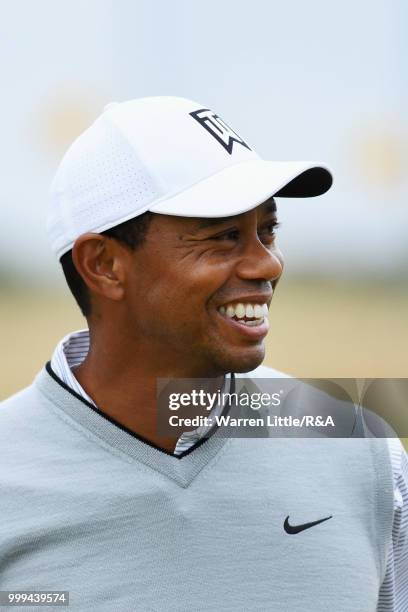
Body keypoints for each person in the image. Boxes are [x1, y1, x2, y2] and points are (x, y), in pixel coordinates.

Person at [0, 97, 406, 611]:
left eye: (268, 230)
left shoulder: (361, 451)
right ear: (103, 265)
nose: (268, 263)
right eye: (223, 237)